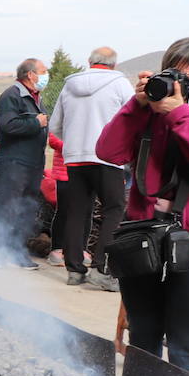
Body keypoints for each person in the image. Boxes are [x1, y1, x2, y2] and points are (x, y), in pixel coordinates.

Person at [96, 37, 189, 375]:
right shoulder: (149, 110)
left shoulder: (181, 113)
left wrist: (181, 116)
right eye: (179, 75)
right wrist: (136, 105)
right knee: (143, 333)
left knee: (187, 341)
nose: (186, 84)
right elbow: (108, 152)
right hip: (142, 234)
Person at [48, 46, 133, 290]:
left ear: (89, 61)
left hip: (75, 158)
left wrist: (75, 142)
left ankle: (74, 270)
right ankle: (102, 269)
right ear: (114, 64)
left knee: (76, 213)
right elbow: (133, 119)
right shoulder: (120, 84)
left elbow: (55, 126)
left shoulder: (69, 86)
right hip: (108, 158)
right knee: (114, 210)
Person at [0, 58, 50, 268]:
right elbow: (8, 125)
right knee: (10, 208)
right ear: (31, 75)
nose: (46, 75)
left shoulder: (35, 97)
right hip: (14, 163)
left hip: (33, 163)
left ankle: (18, 252)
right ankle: (0, 253)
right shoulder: (12, 96)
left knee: (26, 209)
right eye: (43, 71)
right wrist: (35, 122)